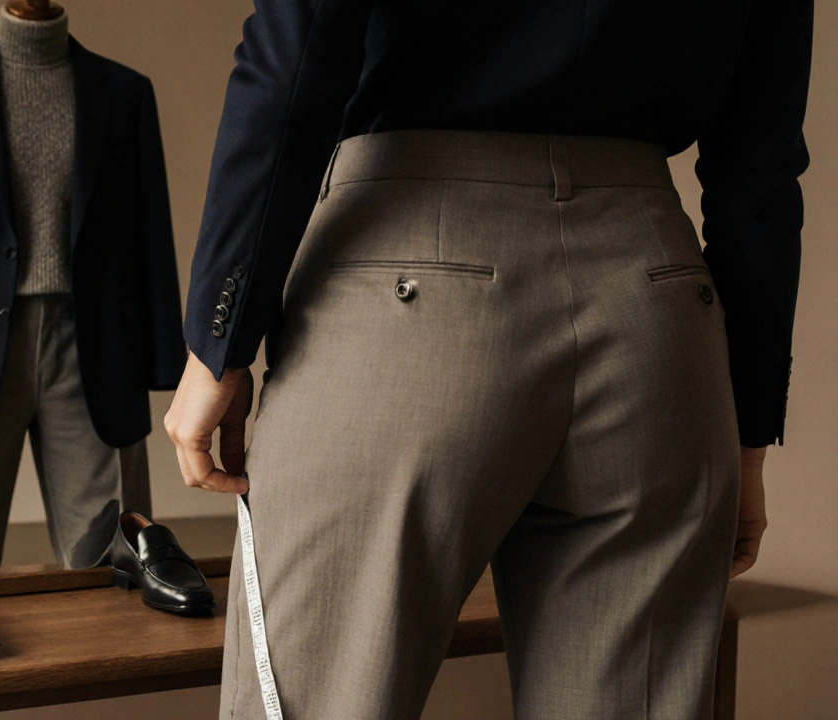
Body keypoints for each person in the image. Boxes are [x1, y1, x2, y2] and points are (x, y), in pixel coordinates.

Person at [165, 1, 813, 718]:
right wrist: (749, 433)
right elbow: (761, 158)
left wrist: (220, 341)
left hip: (405, 285)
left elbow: (302, 42)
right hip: (653, 305)